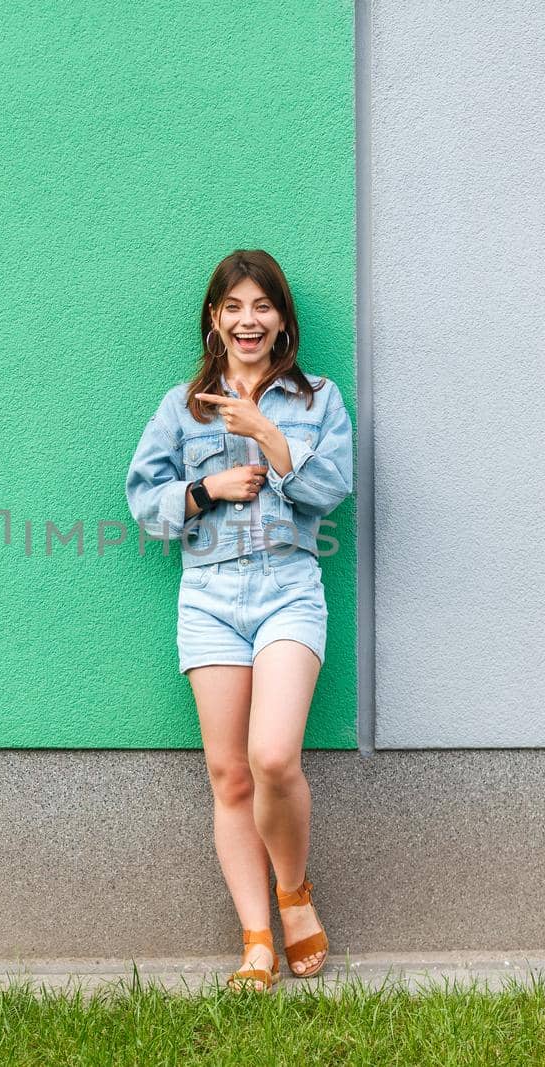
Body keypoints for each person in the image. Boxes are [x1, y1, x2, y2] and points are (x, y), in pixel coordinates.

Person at [125, 249, 355, 992]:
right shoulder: (181, 407)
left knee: (273, 758)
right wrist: (205, 488)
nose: (248, 320)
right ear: (215, 319)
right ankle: (257, 937)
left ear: (282, 319)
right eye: (234, 307)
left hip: (288, 588)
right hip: (211, 595)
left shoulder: (318, 398)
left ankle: (294, 892)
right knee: (228, 773)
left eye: (263, 306)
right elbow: (143, 502)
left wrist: (268, 433)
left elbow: (333, 488)